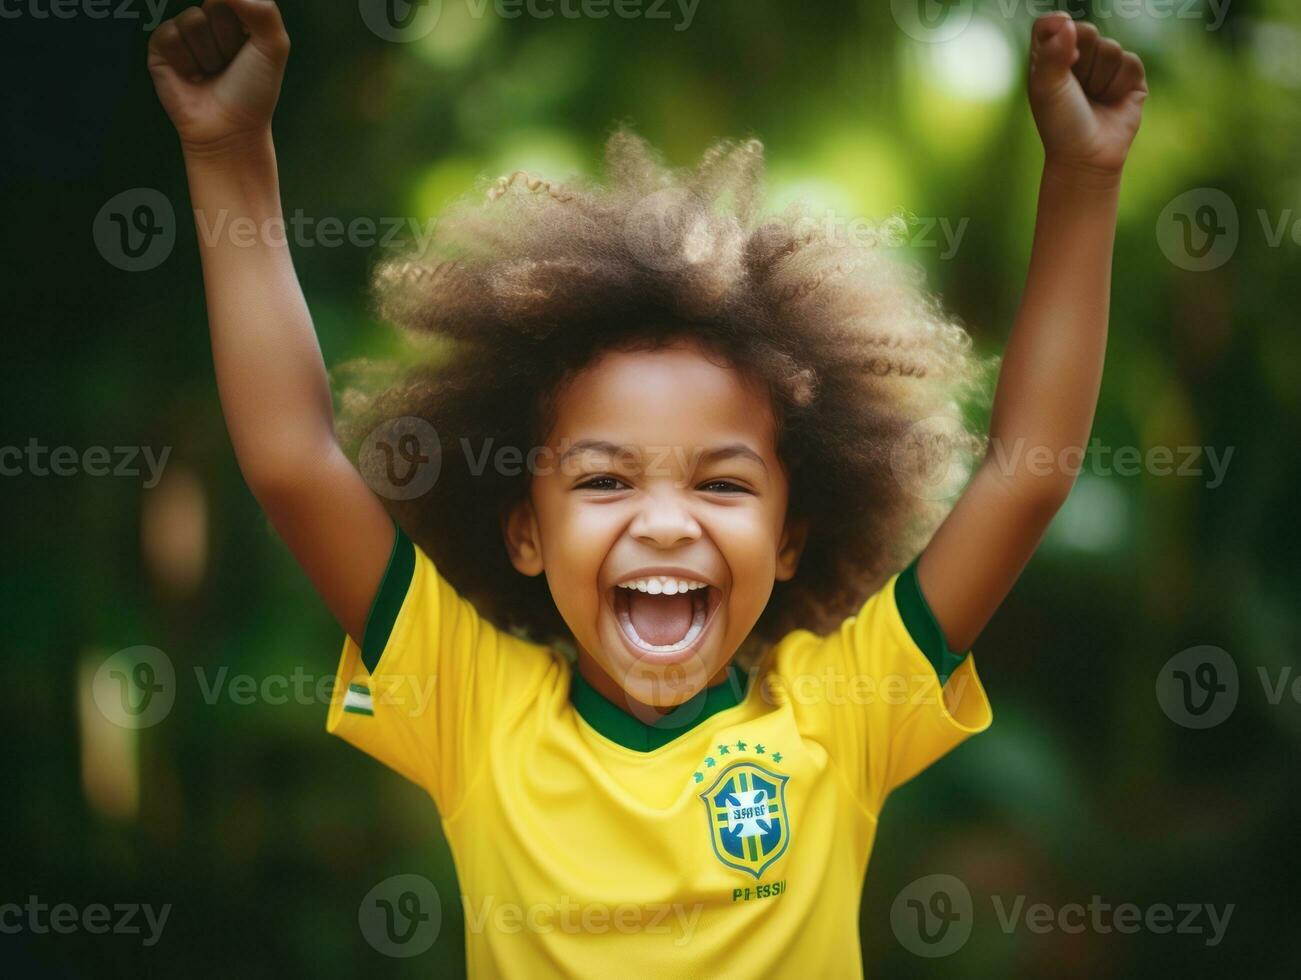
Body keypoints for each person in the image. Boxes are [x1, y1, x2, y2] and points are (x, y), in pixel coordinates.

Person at [147, 2, 1146, 974]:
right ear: (524, 530)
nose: (664, 521)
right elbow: (293, 461)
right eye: (603, 478)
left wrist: (1084, 174)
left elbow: (1026, 472)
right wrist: (229, 150)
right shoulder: (472, 710)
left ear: (789, 536)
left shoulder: (841, 713)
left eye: (720, 482)